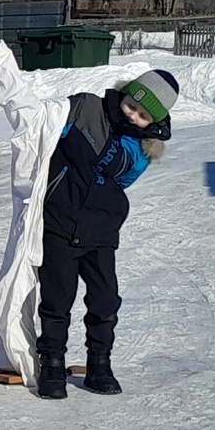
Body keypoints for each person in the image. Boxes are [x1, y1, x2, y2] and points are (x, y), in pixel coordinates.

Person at [34, 68, 178, 400]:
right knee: (56, 299)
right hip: (59, 222)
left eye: (143, 116)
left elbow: (120, 184)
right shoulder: (87, 109)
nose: (134, 115)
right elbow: (44, 124)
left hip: (100, 231)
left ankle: (99, 364)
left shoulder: (143, 147)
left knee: (104, 300)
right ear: (126, 93)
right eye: (132, 105)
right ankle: (52, 364)